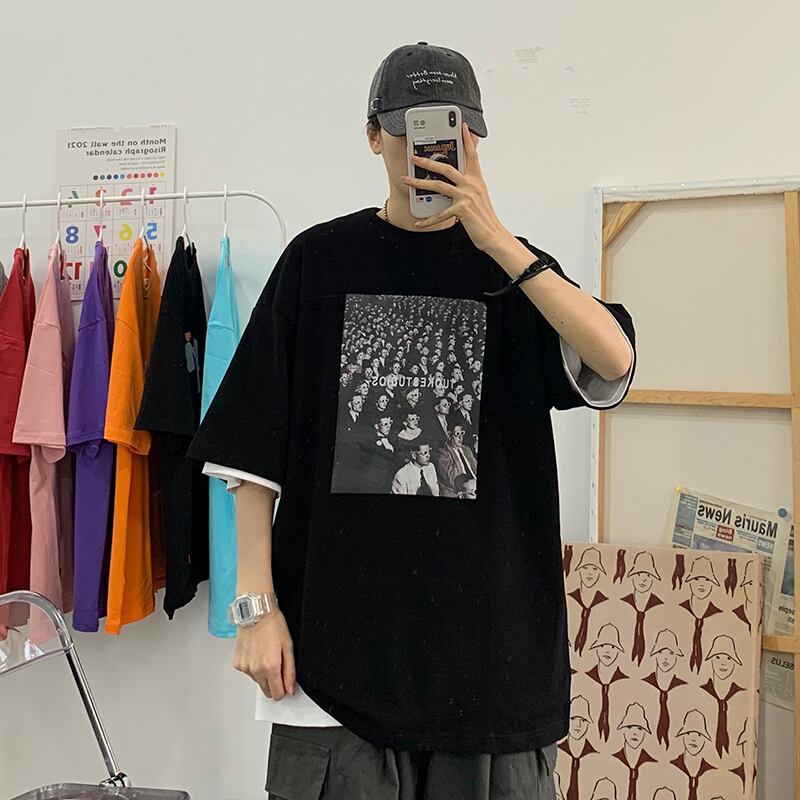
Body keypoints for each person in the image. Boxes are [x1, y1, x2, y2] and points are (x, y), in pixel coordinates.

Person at [187, 41, 636, 800]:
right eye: (408, 132)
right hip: (332, 667)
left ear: (475, 138)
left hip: (490, 667)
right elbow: (250, 450)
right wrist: (255, 610)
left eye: (449, 134)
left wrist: (499, 240)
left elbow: (614, 358)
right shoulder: (317, 262)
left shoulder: (518, 271)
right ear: (374, 136)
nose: (426, 155)